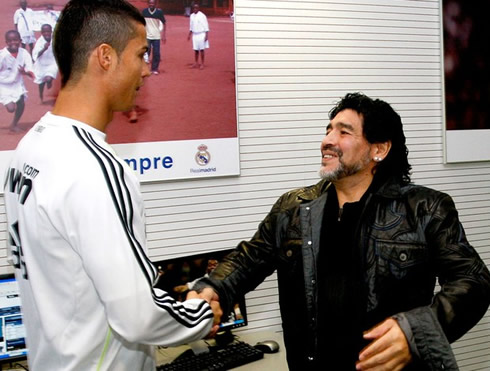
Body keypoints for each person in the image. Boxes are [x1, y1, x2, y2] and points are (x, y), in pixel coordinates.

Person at [193, 92, 490, 370]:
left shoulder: (425, 208)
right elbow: (248, 260)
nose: (327, 140)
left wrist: (416, 330)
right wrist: (211, 290)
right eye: (328, 129)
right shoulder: (293, 207)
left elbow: (473, 281)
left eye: (343, 132)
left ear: (379, 149)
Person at [3, 1, 220, 370]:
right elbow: (137, 315)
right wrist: (201, 314)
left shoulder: (31, 147)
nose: (147, 69)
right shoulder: (94, 167)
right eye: (140, 54)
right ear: (105, 57)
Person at [0, 30, 34, 132]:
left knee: (21, 102)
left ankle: (14, 125)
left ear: (20, 40)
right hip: (3, 85)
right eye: (10, 41)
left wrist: (25, 72)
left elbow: (30, 70)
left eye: (15, 40)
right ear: (6, 42)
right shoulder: (2, 55)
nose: (13, 43)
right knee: (11, 109)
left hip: (17, 83)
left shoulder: (24, 54)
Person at [32, 24, 58, 103]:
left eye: (48, 31)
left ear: (51, 31)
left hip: (52, 63)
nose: (47, 33)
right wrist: (44, 48)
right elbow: (36, 55)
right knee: (41, 83)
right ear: (42, 33)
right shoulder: (39, 42)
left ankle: (49, 81)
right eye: (45, 32)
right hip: (41, 65)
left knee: (48, 78)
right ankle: (41, 95)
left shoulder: (55, 40)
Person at [142, 0, 166, 75]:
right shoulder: (144, 12)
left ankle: (154, 69)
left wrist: (164, 35)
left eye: (153, 3)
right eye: (150, 3)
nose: (151, 4)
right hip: (147, 36)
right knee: (146, 54)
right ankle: (144, 69)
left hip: (156, 36)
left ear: (155, 4)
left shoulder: (159, 12)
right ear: (148, 4)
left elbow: (164, 23)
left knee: (156, 53)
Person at [187, 2, 209, 69]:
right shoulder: (191, 16)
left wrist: (206, 35)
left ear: (198, 8)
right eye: (194, 8)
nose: (195, 9)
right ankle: (196, 62)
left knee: (201, 49)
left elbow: (206, 25)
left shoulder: (202, 16)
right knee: (196, 50)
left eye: (196, 8)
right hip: (195, 34)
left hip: (201, 34)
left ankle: (202, 63)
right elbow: (191, 26)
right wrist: (189, 34)